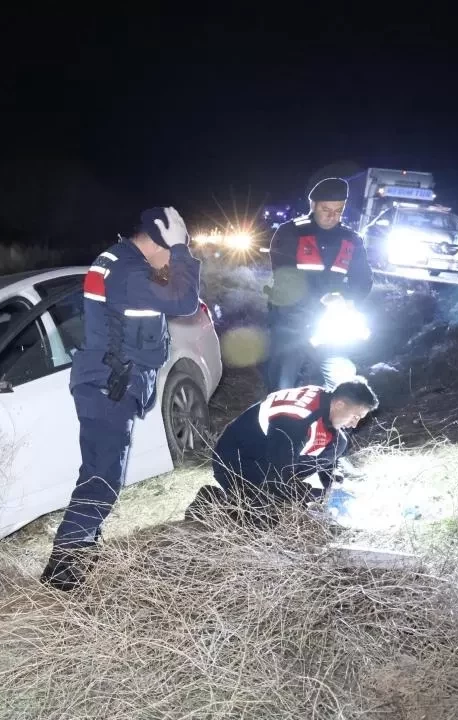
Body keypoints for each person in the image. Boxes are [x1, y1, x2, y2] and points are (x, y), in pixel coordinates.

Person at [40, 207, 202, 590]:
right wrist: (181, 251)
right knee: (102, 477)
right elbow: (184, 301)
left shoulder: (117, 262)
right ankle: (64, 571)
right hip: (107, 387)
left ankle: (81, 551)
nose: (170, 261)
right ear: (161, 239)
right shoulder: (128, 272)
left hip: (103, 384)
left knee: (97, 472)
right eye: (172, 247)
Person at [184, 377, 379, 526]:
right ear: (339, 404)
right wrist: (310, 496)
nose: (355, 423)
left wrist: (332, 488)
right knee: (263, 524)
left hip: (271, 456)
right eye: (355, 416)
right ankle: (212, 501)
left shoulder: (327, 408)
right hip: (236, 459)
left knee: (338, 445)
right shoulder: (295, 420)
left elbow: (323, 462)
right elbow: (277, 476)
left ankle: (270, 498)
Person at [264, 178, 373, 391]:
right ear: (313, 205)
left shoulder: (351, 239)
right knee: (283, 383)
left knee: (341, 379)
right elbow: (285, 276)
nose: (332, 216)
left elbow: (363, 279)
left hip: (331, 322)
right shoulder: (290, 233)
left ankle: (331, 421)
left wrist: (347, 299)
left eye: (338, 210)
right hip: (292, 319)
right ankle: (278, 419)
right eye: (326, 209)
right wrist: (321, 298)